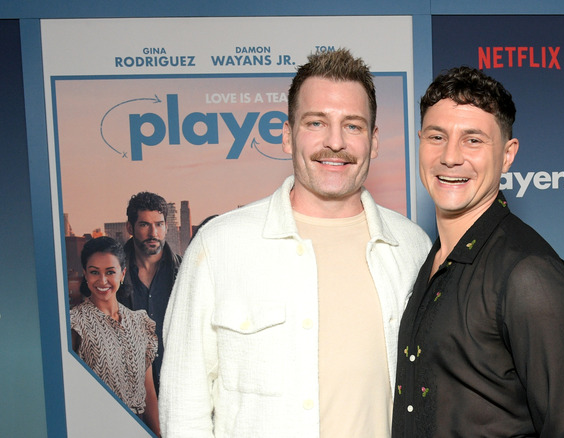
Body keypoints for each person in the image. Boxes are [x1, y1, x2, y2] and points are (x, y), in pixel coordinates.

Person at [159, 48, 431, 437]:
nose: (334, 142)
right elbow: (183, 407)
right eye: (316, 123)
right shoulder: (219, 246)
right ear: (288, 135)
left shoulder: (412, 247)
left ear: (373, 142)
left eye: (352, 126)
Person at [392, 66, 564, 437]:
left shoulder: (529, 273)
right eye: (437, 136)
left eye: (473, 140)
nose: (450, 157)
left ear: (507, 155)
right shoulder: (429, 257)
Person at [70, 236, 160, 436]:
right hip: (98, 429)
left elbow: (149, 391)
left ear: (122, 273)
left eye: (110, 272)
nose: (102, 281)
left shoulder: (139, 322)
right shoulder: (75, 323)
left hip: (139, 427)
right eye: (94, 272)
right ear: (85, 274)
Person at [119, 191, 181, 395]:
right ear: (130, 228)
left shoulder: (184, 271)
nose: (153, 233)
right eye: (145, 224)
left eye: (159, 224)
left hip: (178, 386)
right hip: (129, 391)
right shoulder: (113, 276)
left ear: (166, 227)